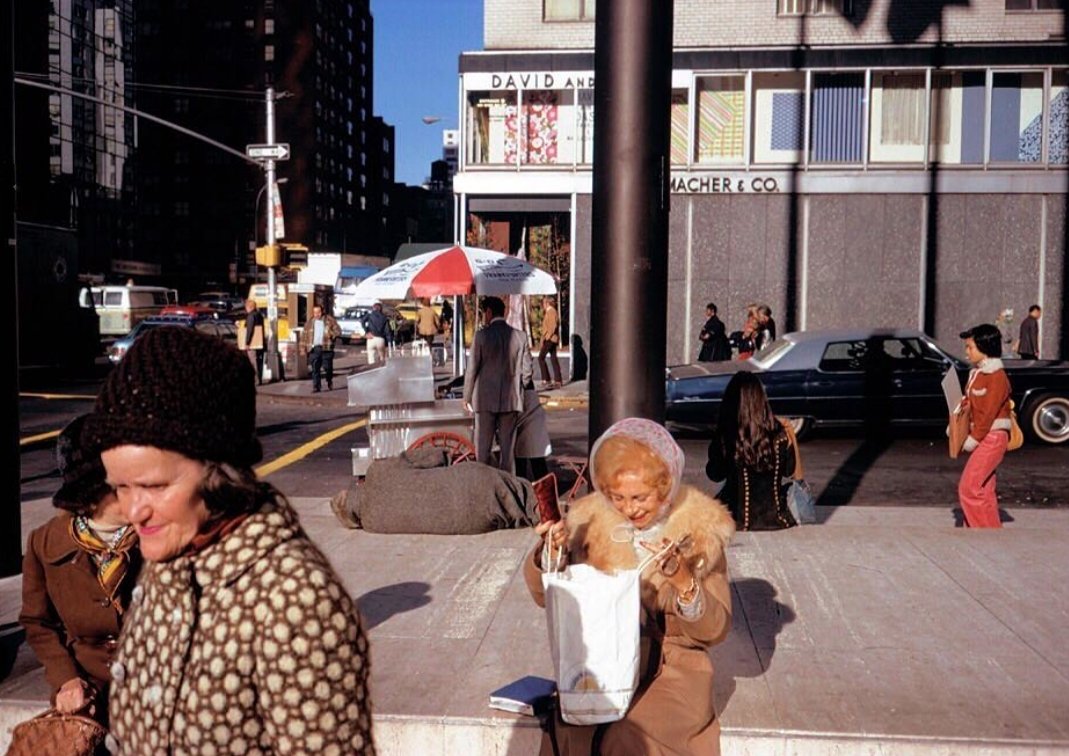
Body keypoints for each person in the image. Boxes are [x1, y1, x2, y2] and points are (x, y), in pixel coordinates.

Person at [82, 327, 374, 753]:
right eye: (120, 487)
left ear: (220, 474)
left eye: (155, 486)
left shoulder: (296, 601)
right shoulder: (177, 548)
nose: (132, 511)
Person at [525, 418, 735, 755]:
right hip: (606, 658)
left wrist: (683, 581)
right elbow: (546, 596)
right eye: (617, 497)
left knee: (627, 737)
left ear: (665, 486)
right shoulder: (590, 523)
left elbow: (714, 630)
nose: (629, 508)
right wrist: (552, 552)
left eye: (639, 497)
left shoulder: (699, 532)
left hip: (671, 668)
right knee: (571, 729)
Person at [19, 415, 141, 728]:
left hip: (156, 691)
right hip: (91, 695)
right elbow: (38, 622)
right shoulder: (45, 542)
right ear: (98, 490)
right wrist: (66, 680)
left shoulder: (161, 534)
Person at [706, 372, 798, 531]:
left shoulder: (727, 437)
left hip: (736, 519)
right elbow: (789, 471)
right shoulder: (779, 434)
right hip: (777, 519)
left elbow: (714, 474)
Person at [463, 296, 534, 474]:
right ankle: (508, 487)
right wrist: (519, 387)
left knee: (483, 449)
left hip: (485, 398)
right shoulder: (521, 336)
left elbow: (472, 369)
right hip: (511, 401)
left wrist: (466, 396)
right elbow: (527, 372)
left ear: (488, 312)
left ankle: (483, 485)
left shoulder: (481, 336)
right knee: (507, 451)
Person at [958, 323, 1013, 528]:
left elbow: (988, 414)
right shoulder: (977, 374)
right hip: (984, 436)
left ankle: (981, 534)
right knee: (983, 488)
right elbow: (972, 405)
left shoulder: (996, 377)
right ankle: (990, 530)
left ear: (985, 347)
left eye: (970, 347)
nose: (967, 352)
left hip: (992, 437)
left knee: (969, 488)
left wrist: (972, 439)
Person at [300, 302, 342, 392]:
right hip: (314, 348)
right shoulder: (309, 323)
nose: (317, 315)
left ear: (322, 311)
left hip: (326, 348)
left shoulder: (329, 320)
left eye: (318, 312)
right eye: (315, 312)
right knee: (315, 368)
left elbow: (338, 331)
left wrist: (331, 334)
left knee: (327, 368)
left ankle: (329, 380)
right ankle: (316, 386)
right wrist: (302, 348)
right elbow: (304, 336)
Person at [537, 296, 563, 389]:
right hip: (552, 338)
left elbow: (552, 326)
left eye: (543, 303)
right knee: (553, 358)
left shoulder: (551, 311)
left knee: (541, 357)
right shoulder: (550, 312)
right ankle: (558, 380)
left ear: (547, 303)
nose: (542, 305)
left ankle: (546, 379)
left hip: (550, 339)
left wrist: (546, 337)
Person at [242, 298, 265, 384]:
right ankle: (259, 379)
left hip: (253, 343)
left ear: (249, 307)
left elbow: (250, 330)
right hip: (260, 342)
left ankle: (256, 380)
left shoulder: (251, 316)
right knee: (259, 362)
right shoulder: (259, 315)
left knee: (253, 361)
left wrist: (247, 342)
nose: (245, 309)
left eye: (246, 307)